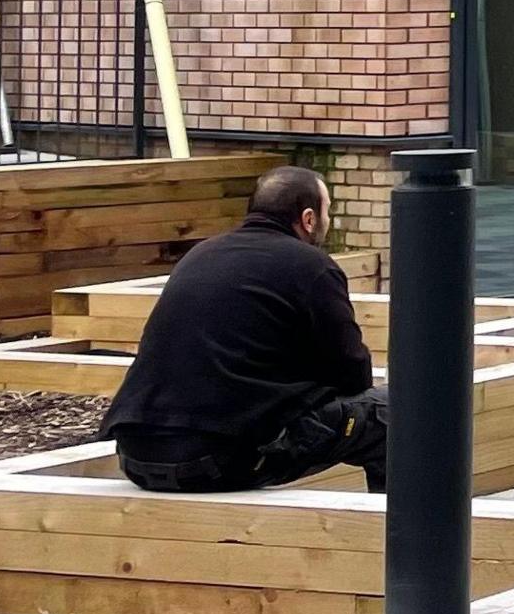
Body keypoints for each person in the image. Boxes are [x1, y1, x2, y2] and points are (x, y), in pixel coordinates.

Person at [104, 165, 388, 493]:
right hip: (220, 461)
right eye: (327, 213)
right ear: (309, 219)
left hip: (137, 456)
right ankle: (401, 541)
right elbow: (353, 375)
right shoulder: (312, 267)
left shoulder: (201, 254)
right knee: (395, 415)